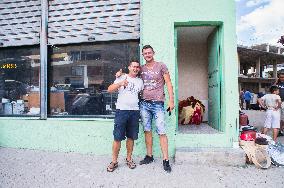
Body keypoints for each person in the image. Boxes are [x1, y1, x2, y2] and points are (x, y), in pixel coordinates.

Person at [139, 45, 174, 173]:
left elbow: (169, 83)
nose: (147, 55)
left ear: (153, 53)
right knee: (147, 130)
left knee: (161, 131)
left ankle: (166, 160)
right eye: (145, 53)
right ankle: (149, 156)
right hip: (144, 104)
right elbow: (131, 74)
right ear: (143, 55)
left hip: (158, 104)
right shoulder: (141, 69)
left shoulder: (161, 66)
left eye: (149, 52)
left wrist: (171, 100)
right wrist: (120, 75)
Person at [106, 61, 143, 172]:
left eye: (137, 67)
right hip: (121, 111)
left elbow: (140, 94)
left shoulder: (140, 81)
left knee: (131, 137)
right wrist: (120, 83)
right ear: (129, 67)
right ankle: (114, 161)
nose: (135, 69)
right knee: (117, 137)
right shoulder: (122, 76)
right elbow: (109, 89)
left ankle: (129, 159)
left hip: (134, 112)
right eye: (133, 66)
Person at [274, 71, 284, 136]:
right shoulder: (277, 84)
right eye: (280, 77)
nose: (282, 78)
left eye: (283, 77)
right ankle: (279, 131)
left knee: (283, 118)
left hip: (283, 102)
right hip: (277, 102)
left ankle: (282, 129)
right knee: (277, 117)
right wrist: (276, 81)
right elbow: (272, 89)